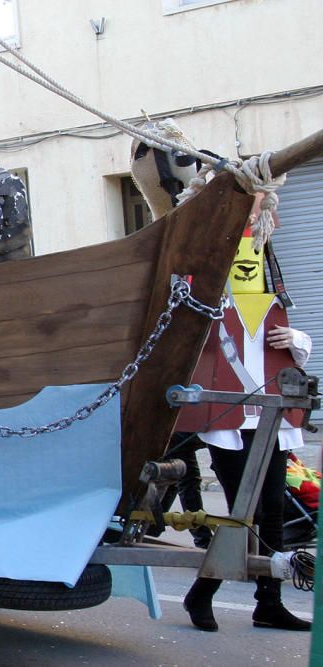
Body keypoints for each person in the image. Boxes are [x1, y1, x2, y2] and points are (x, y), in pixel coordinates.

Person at [176, 219, 311, 632]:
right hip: (230, 423)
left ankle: (268, 602)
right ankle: (203, 591)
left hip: (271, 421)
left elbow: (292, 361)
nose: (247, 265)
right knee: (242, 514)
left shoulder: (271, 307)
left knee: (272, 512)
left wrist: (297, 341)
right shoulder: (206, 306)